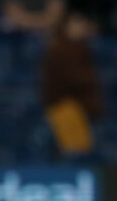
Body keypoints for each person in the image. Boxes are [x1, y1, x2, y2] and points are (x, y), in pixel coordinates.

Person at [42, 13, 103, 156]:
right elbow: (69, 78)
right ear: (66, 27)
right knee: (72, 149)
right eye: (76, 24)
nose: (80, 28)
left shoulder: (82, 48)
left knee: (82, 147)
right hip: (63, 104)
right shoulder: (59, 49)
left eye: (82, 24)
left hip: (79, 105)